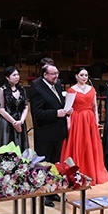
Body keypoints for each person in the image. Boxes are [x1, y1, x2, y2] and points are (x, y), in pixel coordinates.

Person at [28, 63, 69, 206]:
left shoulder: (57, 84)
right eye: (53, 74)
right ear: (45, 75)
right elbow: (37, 112)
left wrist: (66, 110)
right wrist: (56, 113)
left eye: (57, 73)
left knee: (54, 163)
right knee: (43, 164)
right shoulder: (37, 87)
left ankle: (52, 190)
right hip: (45, 133)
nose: (56, 76)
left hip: (58, 131)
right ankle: (43, 193)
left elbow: (59, 103)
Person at [60, 67, 108, 184]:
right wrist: (69, 123)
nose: (84, 77)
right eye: (81, 75)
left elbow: (94, 106)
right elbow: (68, 108)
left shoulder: (91, 89)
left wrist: (96, 121)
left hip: (89, 119)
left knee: (90, 145)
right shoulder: (71, 90)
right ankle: (77, 173)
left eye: (86, 75)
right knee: (78, 143)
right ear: (76, 76)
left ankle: (91, 171)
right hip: (77, 119)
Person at [0, 65, 29, 152]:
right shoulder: (2, 90)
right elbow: (1, 109)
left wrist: (21, 121)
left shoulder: (22, 89)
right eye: (14, 75)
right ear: (7, 77)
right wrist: (14, 123)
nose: (17, 77)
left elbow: (25, 106)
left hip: (20, 120)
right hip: (7, 122)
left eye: (17, 75)